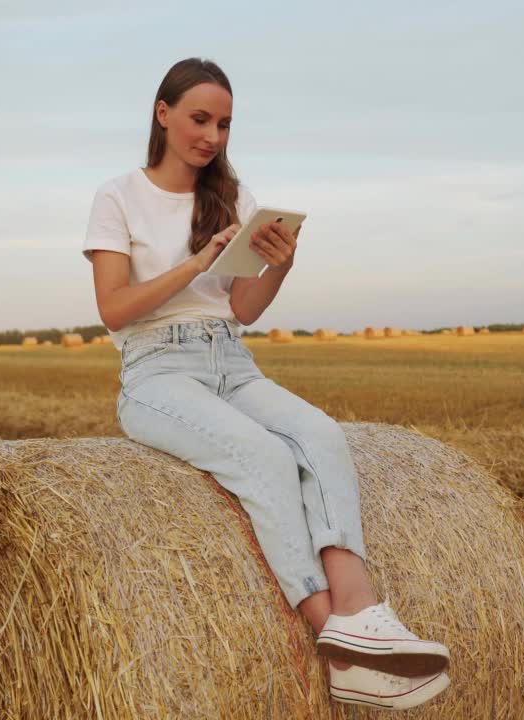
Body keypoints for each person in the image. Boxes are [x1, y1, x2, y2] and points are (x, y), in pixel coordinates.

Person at [81, 57, 449, 711]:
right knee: (265, 457)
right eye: (200, 119)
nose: (213, 136)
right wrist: (197, 263)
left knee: (321, 436)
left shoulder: (232, 195)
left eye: (223, 123)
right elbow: (113, 309)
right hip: (156, 372)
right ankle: (332, 633)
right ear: (162, 114)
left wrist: (282, 262)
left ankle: (361, 610)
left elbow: (245, 308)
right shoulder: (118, 196)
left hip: (232, 360)